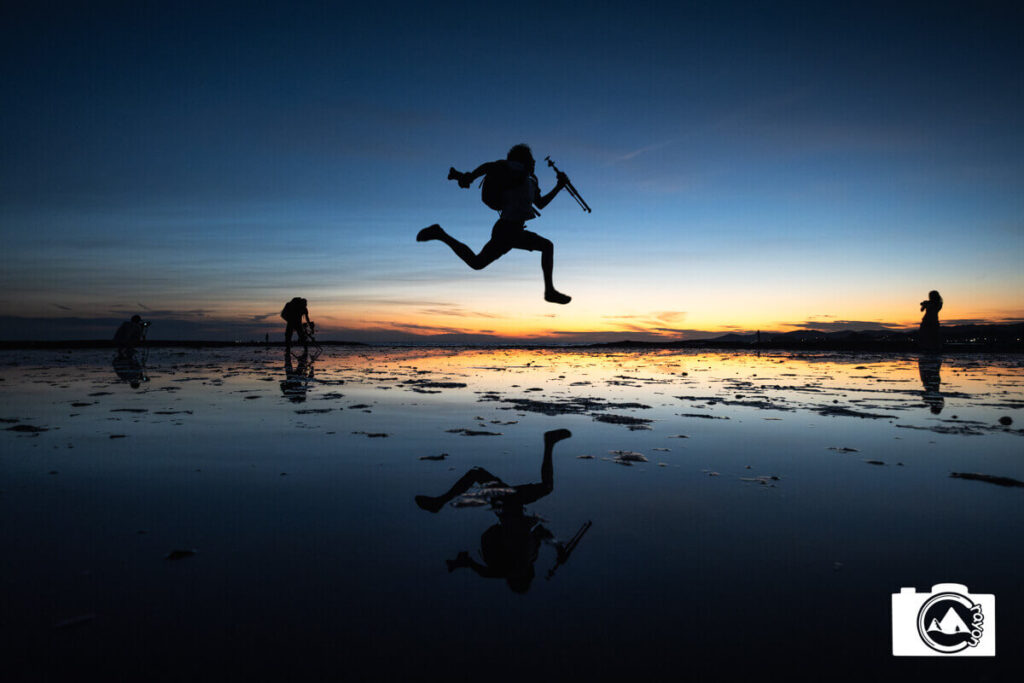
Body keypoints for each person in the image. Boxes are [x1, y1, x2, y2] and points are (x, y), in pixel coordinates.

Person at [415, 429, 582, 593]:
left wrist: (464, 563)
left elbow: (488, 572)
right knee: (545, 487)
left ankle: (439, 502)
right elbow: (541, 532)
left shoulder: (510, 567)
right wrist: (559, 549)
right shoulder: (529, 556)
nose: (523, 572)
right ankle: (550, 442)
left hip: (507, 505)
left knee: (477, 474)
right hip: (513, 504)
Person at [417, 144, 572, 304]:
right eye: (531, 160)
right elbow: (489, 166)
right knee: (478, 263)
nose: (534, 163)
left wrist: (558, 187)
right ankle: (440, 234)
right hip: (506, 231)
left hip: (514, 231)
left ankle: (550, 291)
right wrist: (469, 177)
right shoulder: (514, 168)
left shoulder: (530, 181)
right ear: (523, 160)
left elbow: (540, 204)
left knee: (545, 246)